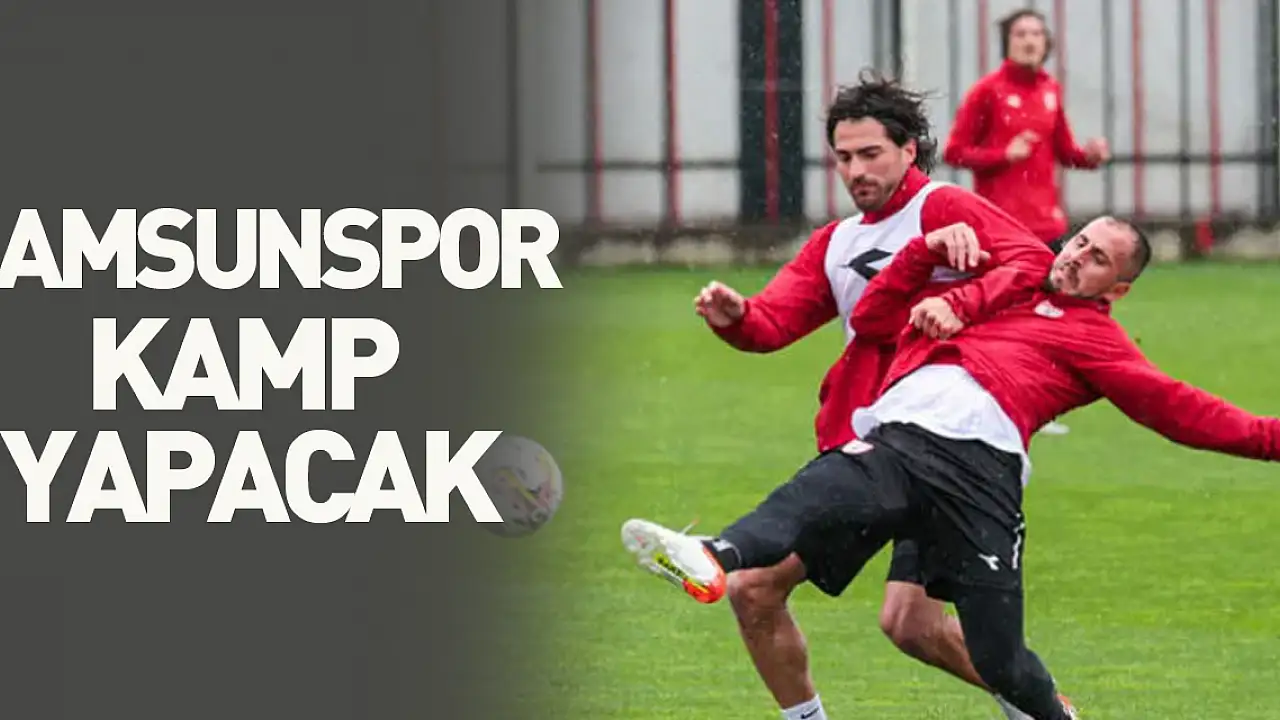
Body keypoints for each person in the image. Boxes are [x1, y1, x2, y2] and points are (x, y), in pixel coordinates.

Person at [623, 216, 1280, 719]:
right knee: (822, 490)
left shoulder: (1099, 340)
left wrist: (1272, 439)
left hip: (979, 475)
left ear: (1119, 288)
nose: (1077, 256)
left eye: (1098, 258)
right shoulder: (1006, 280)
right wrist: (927, 258)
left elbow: (1184, 411)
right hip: (905, 435)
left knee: (998, 658)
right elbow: (875, 318)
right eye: (1080, 242)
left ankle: (1053, 714)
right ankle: (711, 553)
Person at [688, 69, 1068, 720]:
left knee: (907, 623)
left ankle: (1043, 707)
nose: (855, 170)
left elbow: (1036, 264)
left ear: (908, 150)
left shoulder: (944, 208)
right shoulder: (836, 243)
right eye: (843, 158)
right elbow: (773, 323)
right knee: (762, 592)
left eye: (870, 154)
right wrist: (736, 317)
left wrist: (964, 300)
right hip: (871, 450)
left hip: (952, 451)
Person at [943, 7, 1111, 436]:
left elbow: (1064, 151)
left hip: (1048, 226)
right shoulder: (987, 92)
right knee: (1002, 316)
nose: (1030, 40)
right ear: (1008, 42)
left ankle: (1034, 398)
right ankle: (991, 397)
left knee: (1053, 315)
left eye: (1037, 33)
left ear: (1046, 43)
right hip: (1002, 226)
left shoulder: (1050, 89)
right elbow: (955, 152)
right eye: (1021, 33)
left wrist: (1089, 157)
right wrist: (1004, 154)